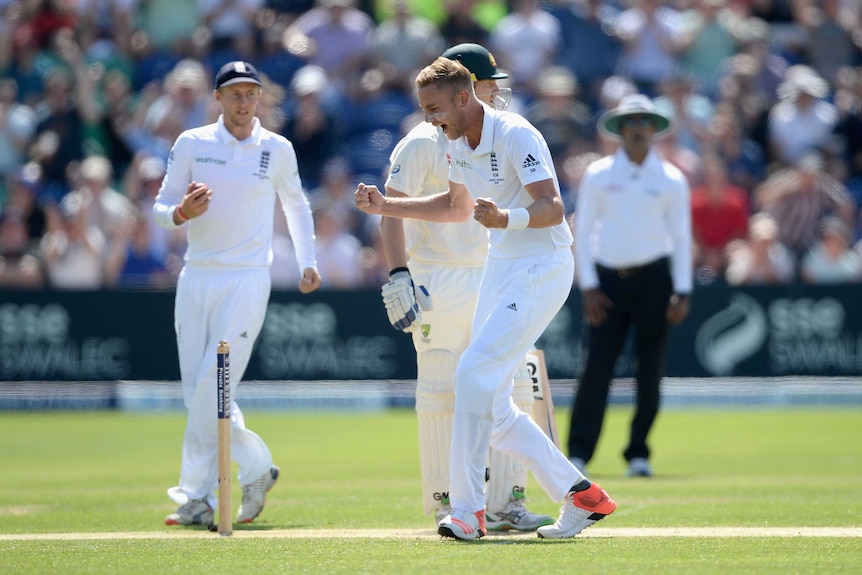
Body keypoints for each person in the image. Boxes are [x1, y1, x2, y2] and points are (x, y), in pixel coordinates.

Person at [356, 56, 616, 541]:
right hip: (501, 265)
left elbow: (554, 208)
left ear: (462, 97)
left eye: (435, 108)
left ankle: (467, 511)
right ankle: (580, 495)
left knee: (471, 373)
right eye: (423, 109)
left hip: (542, 266)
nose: (430, 119)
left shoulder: (517, 133)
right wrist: (387, 204)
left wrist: (508, 220)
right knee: (494, 410)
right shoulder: (454, 142)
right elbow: (455, 206)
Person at [378, 43, 551, 532]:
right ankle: (446, 501)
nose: (497, 91)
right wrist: (398, 273)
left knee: (511, 385)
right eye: (490, 83)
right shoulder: (419, 142)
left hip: (497, 271)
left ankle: (506, 504)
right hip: (440, 278)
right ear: (466, 88)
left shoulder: (501, 135)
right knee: (441, 390)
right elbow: (393, 209)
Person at [153, 61, 322, 527]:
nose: (243, 102)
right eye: (234, 94)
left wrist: (309, 261)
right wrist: (182, 214)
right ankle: (252, 470)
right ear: (218, 98)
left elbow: (297, 205)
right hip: (197, 276)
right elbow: (160, 210)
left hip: (248, 277)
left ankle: (194, 494)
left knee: (213, 384)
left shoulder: (277, 148)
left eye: (251, 93)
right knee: (199, 393)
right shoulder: (193, 143)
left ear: (260, 98)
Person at [568, 94, 692, 478]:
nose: (638, 129)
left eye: (644, 122)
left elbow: (682, 236)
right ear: (620, 130)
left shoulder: (671, 178)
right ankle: (578, 454)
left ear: (654, 130)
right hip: (607, 282)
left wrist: (683, 290)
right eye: (631, 122)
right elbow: (584, 230)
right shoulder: (600, 174)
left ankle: (638, 452)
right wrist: (587, 286)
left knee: (650, 369)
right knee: (596, 370)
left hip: (655, 279)